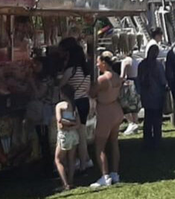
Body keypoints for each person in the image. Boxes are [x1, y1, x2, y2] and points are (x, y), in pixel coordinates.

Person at [89, 51, 124, 189]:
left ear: (104, 63)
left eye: (98, 62)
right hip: (116, 110)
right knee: (114, 143)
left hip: (105, 112)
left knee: (100, 146)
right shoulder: (116, 76)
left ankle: (105, 176)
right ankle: (115, 173)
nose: (97, 64)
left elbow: (92, 92)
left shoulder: (103, 79)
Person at [59, 41, 92, 172]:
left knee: (78, 136)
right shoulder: (86, 70)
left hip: (75, 103)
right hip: (85, 101)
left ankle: (82, 164)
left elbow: (61, 84)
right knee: (82, 133)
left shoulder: (71, 70)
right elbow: (88, 88)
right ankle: (86, 161)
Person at [138, 40, 167, 150]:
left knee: (148, 118)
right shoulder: (158, 65)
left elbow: (139, 79)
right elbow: (162, 80)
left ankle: (147, 139)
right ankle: (157, 139)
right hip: (157, 94)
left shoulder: (142, 64)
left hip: (146, 95)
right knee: (157, 119)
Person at [54, 84, 80, 191]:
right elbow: (78, 123)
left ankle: (65, 184)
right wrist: (73, 124)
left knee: (58, 159)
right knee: (71, 158)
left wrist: (68, 124)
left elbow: (59, 120)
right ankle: (71, 181)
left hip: (64, 134)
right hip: (74, 134)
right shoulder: (74, 106)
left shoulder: (60, 105)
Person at [120, 49, 141, 136]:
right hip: (136, 83)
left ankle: (131, 123)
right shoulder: (136, 61)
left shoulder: (125, 61)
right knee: (134, 106)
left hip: (128, 84)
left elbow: (123, 75)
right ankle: (135, 124)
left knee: (125, 105)